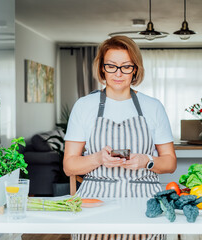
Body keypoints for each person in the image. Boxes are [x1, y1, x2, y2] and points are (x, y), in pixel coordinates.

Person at [63, 35, 176, 240]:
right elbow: (69, 166)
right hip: (95, 200)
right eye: (111, 66)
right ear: (102, 69)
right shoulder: (84, 106)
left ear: (135, 69)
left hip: (144, 201)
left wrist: (147, 161)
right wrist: (98, 158)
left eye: (126, 66)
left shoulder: (153, 107)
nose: (118, 73)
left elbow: (170, 162)